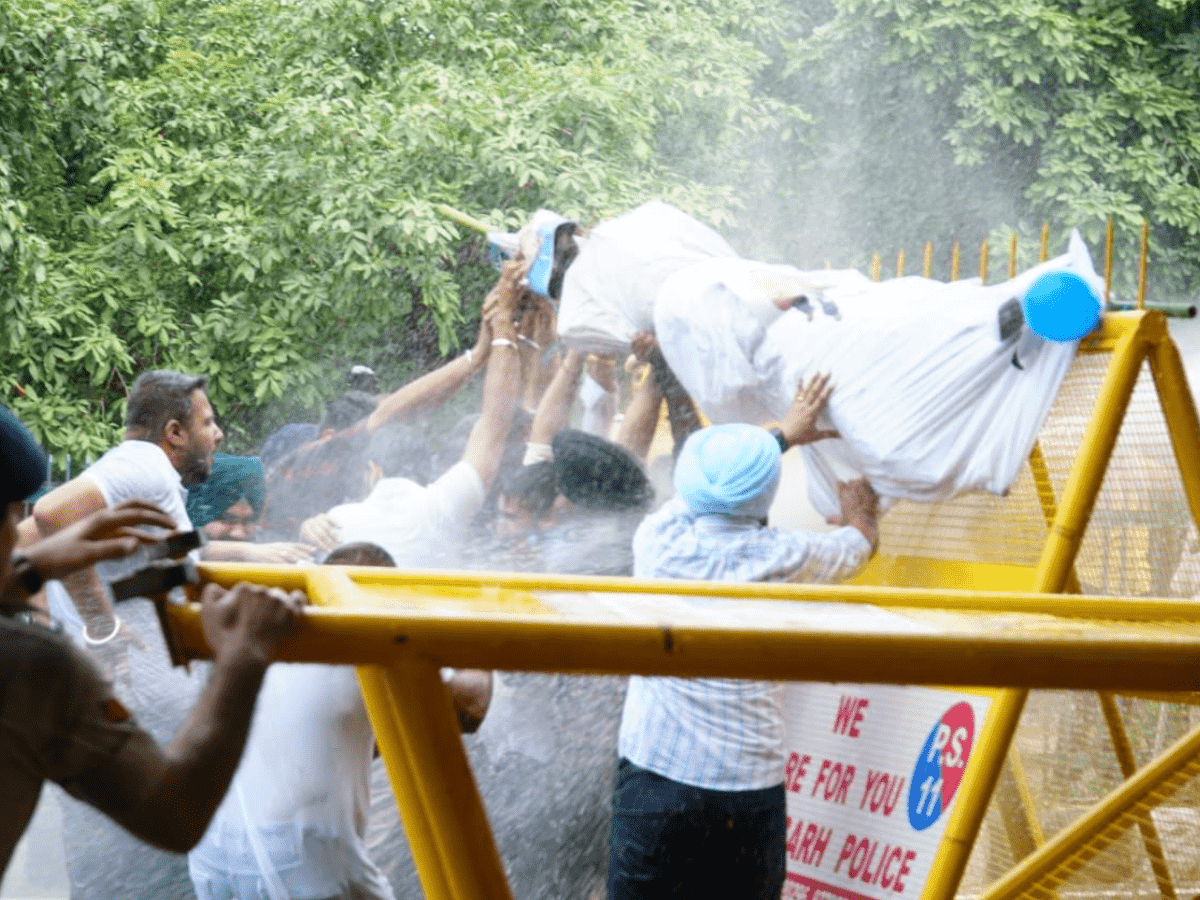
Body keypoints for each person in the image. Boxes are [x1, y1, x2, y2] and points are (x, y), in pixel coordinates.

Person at [29, 370, 308, 900]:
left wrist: (243, 553)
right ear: (175, 433)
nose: (219, 433)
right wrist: (99, 624)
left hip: (120, 728)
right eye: (209, 421)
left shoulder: (140, 477)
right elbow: (48, 515)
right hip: (134, 731)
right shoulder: (146, 466)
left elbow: (135, 560)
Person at [608, 373, 880, 900]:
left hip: (658, 780)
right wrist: (859, 514)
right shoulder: (787, 557)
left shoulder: (658, 545)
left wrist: (783, 435)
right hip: (748, 790)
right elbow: (857, 545)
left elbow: (700, 493)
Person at [189, 541, 476, 900]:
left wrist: (248, 554)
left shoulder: (259, 629)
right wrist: (475, 625)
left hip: (215, 851)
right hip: (305, 858)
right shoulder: (373, 637)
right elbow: (471, 705)